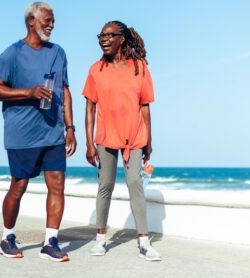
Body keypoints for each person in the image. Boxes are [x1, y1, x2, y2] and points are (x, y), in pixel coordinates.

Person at [0, 2, 76, 262]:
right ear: (31, 22)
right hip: (21, 134)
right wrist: (29, 92)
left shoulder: (58, 52)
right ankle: (7, 237)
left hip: (53, 132)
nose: (51, 24)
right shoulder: (12, 54)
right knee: (19, 186)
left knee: (57, 185)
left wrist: (70, 128)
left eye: (53, 20)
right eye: (47, 20)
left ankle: (50, 242)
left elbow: (65, 91)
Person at [82, 20, 161, 261]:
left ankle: (145, 242)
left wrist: (149, 138)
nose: (103, 39)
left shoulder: (140, 68)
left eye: (109, 35)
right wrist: (89, 142)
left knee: (135, 183)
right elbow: (90, 108)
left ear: (122, 38)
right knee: (105, 185)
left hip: (135, 135)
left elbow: (145, 106)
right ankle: (100, 239)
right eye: (100, 36)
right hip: (106, 135)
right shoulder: (97, 69)